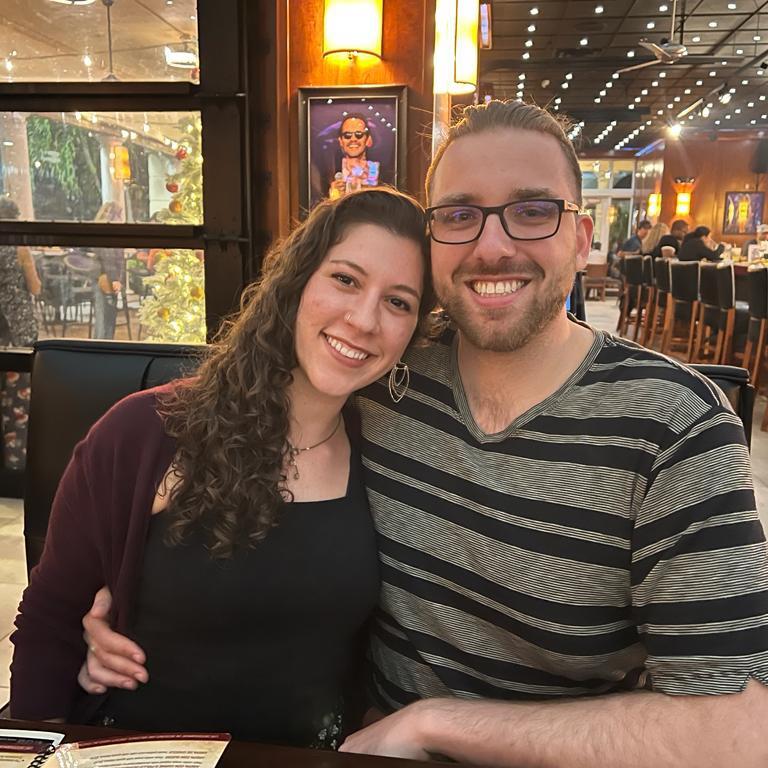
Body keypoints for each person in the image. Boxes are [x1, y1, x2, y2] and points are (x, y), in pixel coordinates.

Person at [81, 101, 768, 767]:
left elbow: (739, 735)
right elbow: (244, 431)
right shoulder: (383, 372)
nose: (492, 247)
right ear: (433, 243)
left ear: (583, 238)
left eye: (532, 211)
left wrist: (437, 724)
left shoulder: (676, 426)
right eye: (460, 216)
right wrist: (130, 605)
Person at [10, 188, 434, 748]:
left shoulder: (384, 451)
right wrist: (29, 749)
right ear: (296, 283)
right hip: (138, 754)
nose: (363, 319)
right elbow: (52, 619)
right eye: (345, 279)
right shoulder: (146, 433)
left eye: (398, 302)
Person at [0, 197, 40, 471]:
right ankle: (16, 463)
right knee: (17, 400)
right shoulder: (19, 248)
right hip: (17, 327)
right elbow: (35, 287)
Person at [91, 202, 125, 340]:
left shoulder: (101, 232)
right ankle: (103, 345)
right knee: (105, 319)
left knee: (105, 317)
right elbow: (109, 258)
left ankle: (103, 344)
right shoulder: (107, 233)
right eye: (119, 215)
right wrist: (116, 279)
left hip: (104, 278)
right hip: (104, 279)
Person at [328, 114, 381, 199]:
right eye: (347, 135)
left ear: (368, 140)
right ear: (340, 141)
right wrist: (334, 195)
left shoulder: (381, 173)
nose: (353, 139)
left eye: (359, 134)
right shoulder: (329, 172)